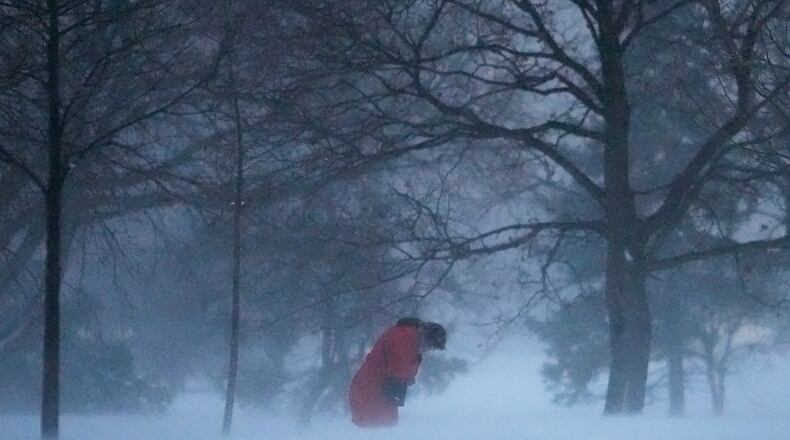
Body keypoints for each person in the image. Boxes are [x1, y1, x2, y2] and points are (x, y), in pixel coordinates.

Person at [348, 317, 447, 427]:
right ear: (426, 337)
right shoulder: (405, 337)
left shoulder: (406, 336)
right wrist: (416, 361)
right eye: (430, 347)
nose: (427, 350)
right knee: (378, 428)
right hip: (370, 391)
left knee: (383, 427)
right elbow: (400, 371)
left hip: (377, 390)